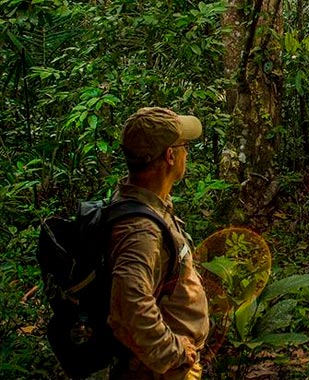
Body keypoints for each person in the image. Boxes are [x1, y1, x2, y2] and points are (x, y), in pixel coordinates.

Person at [108, 107, 209, 380]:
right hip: (158, 371)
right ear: (170, 156)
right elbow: (129, 306)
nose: (186, 153)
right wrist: (174, 352)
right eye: (184, 146)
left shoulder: (147, 204)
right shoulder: (140, 231)